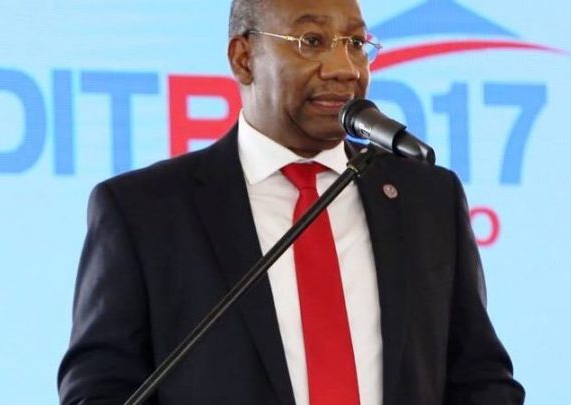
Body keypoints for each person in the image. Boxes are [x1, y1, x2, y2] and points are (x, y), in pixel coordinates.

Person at [57, 0, 525, 404]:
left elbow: (479, 378)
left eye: (356, 43)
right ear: (244, 59)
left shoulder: (427, 199)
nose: (345, 68)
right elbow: (100, 389)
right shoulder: (145, 211)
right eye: (311, 41)